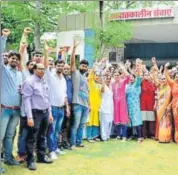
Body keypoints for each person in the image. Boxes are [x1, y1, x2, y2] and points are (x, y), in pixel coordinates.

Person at [22, 63, 53, 170]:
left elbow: (47, 98)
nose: (42, 71)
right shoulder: (29, 81)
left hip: (45, 113)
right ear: (34, 69)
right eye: (39, 69)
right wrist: (29, 117)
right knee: (31, 138)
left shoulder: (44, 81)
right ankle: (30, 161)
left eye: (43, 69)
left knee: (42, 136)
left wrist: (50, 113)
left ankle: (41, 156)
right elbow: (27, 100)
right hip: (35, 114)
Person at [46, 59, 69, 159]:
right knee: (51, 130)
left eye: (62, 65)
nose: (60, 67)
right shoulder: (51, 76)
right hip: (53, 108)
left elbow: (64, 94)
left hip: (61, 108)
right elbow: (46, 67)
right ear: (55, 66)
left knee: (57, 131)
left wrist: (67, 107)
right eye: (58, 65)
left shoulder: (63, 79)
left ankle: (55, 148)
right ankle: (51, 151)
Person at [70, 39, 89, 149]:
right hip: (77, 103)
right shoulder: (75, 73)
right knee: (75, 125)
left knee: (81, 125)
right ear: (79, 66)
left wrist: (89, 105)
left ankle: (79, 141)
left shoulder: (85, 78)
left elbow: (87, 92)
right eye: (82, 66)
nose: (84, 68)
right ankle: (72, 143)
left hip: (85, 105)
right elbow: (72, 62)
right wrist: (74, 48)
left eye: (86, 66)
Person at [112, 68, 130, 141]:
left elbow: (128, 76)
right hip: (115, 103)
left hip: (122, 103)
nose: (116, 76)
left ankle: (124, 136)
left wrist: (123, 69)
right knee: (117, 119)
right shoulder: (112, 84)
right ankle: (119, 135)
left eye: (118, 75)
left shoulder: (122, 82)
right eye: (115, 75)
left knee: (123, 119)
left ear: (120, 76)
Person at [154, 73, 172, 143]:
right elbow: (155, 80)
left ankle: (167, 138)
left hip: (166, 107)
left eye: (164, 78)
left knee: (166, 122)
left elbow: (170, 98)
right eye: (162, 79)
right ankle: (161, 138)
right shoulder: (160, 88)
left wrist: (168, 106)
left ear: (167, 79)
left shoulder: (169, 88)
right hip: (159, 107)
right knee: (161, 123)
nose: (163, 80)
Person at [126, 74, 143, 143]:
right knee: (129, 121)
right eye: (130, 77)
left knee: (137, 121)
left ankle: (140, 137)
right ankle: (131, 135)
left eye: (132, 77)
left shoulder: (136, 85)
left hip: (135, 106)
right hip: (129, 105)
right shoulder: (128, 86)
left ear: (134, 78)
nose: (131, 79)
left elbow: (138, 79)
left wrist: (138, 72)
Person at [86, 67, 102, 142]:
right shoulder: (91, 83)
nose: (97, 77)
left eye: (98, 76)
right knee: (90, 121)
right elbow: (89, 77)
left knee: (96, 121)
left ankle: (94, 136)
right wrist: (93, 69)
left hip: (97, 106)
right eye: (96, 75)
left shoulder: (99, 85)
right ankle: (89, 137)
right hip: (91, 105)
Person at [165, 62, 178, 143]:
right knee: (176, 122)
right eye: (176, 76)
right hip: (175, 105)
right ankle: (176, 139)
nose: (177, 77)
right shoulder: (173, 83)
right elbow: (167, 78)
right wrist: (166, 68)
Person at [140, 72, 156, 139]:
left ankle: (151, 134)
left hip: (151, 104)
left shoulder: (153, 84)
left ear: (150, 76)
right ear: (143, 76)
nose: (146, 76)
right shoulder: (141, 83)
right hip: (143, 104)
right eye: (145, 75)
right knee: (144, 120)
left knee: (151, 120)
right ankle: (144, 134)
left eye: (148, 75)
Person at [100, 75, 113, 141]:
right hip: (104, 106)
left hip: (110, 107)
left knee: (109, 122)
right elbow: (101, 91)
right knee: (104, 122)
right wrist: (103, 82)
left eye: (109, 79)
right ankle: (103, 136)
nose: (108, 80)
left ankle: (108, 135)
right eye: (107, 79)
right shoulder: (103, 86)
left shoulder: (110, 86)